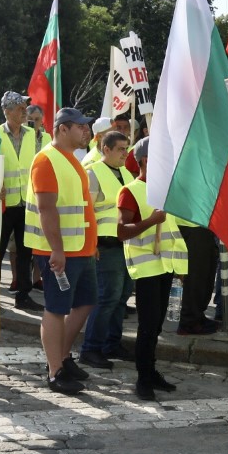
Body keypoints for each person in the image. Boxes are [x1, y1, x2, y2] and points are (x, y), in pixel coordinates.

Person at [25, 107, 97, 394]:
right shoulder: (46, 160)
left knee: (85, 302)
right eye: (81, 127)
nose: (86, 131)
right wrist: (57, 249)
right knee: (56, 309)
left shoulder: (72, 159)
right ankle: (55, 371)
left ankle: (62, 358)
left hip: (80, 249)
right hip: (59, 251)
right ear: (62, 129)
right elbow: (46, 208)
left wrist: (90, 247)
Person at [117, 136, 184, 400]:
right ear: (146, 160)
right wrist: (150, 220)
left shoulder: (166, 190)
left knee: (156, 325)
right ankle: (143, 378)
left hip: (165, 265)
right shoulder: (131, 191)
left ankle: (151, 371)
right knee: (147, 325)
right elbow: (122, 231)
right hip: (145, 268)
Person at [79, 131, 134, 369]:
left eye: (126, 148)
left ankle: (112, 343)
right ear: (106, 149)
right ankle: (91, 348)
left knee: (122, 296)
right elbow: (86, 211)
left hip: (125, 244)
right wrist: (90, 244)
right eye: (121, 149)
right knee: (107, 297)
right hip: (105, 244)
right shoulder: (93, 173)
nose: (125, 153)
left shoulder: (126, 172)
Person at [0, 92, 42, 314]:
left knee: (26, 252)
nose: (24, 111)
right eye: (19, 108)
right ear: (7, 112)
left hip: (26, 203)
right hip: (3, 205)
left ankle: (23, 295)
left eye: (24, 107)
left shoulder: (31, 134)